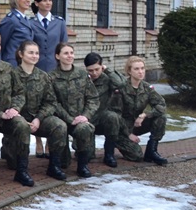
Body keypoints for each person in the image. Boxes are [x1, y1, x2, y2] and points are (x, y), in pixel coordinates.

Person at [0, 30, 34, 186]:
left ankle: (22, 170)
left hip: (8, 114)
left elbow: (19, 93)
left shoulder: (7, 68)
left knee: (22, 125)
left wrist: (15, 109)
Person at [10, 40, 69, 180]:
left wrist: (38, 118)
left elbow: (50, 102)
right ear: (21, 54)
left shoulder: (43, 76)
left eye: (36, 53)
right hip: (16, 118)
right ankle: (21, 171)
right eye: (30, 52)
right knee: (21, 127)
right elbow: (6, 99)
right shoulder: (12, 74)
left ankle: (54, 166)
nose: (34, 56)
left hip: (38, 118)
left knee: (59, 125)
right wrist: (18, 116)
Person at [48, 43, 99, 178]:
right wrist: (70, 119)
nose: (69, 56)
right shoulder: (51, 77)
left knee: (85, 129)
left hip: (80, 118)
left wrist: (85, 116)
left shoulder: (82, 75)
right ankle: (55, 165)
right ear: (57, 56)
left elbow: (93, 99)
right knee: (64, 163)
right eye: (66, 53)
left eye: (71, 52)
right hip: (61, 120)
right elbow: (53, 102)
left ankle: (82, 166)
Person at [118, 56, 168, 165]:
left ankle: (152, 151)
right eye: (136, 69)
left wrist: (145, 115)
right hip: (121, 129)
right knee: (136, 156)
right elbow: (115, 114)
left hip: (137, 124)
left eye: (142, 68)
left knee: (161, 117)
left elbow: (161, 105)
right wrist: (128, 134)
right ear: (129, 71)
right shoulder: (121, 88)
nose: (140, 72)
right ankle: (116, 143)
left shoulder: (146, 88)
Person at [84, 52, 127, 167]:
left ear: (102, 67)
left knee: (112, 117)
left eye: (97, 69)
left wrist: (107, 71)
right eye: (90, 70)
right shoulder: (82, 79)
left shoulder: (107, 78)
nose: (94, 73)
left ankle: (109, 154)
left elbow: (122, 85)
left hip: (102, 118)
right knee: (87, 157)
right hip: (87, 120)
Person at [30, 0, 68, 72]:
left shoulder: (59, 22)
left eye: (50, 0)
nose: (48, 3)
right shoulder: (30, 23)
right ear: (37, 3)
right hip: (36, 67)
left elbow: (64, 45)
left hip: (55, 67)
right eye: (44, 0)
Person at [0, 0, 34, 66]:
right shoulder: (10, 20)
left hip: (24, 63)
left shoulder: (25, 19)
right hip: (12, 63)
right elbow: (1, 44)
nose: (28, 0)